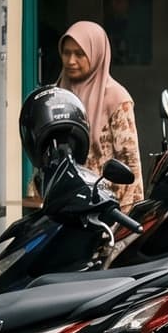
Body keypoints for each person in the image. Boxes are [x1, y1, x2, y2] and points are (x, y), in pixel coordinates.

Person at [57, 20, 142, 210]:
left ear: (96, 55)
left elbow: (131, 166)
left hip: (105, 212)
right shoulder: (57, 95)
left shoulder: (117, 99)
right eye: (66, 52)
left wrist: (122, 227)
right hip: (65, 208)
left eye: (79, 54)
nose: (70, 61)